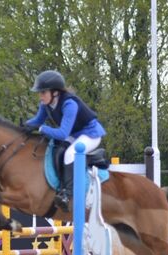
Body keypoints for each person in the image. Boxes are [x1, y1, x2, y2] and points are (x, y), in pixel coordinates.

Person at [23, 70, 106, 211]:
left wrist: (42, 129)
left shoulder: (69, 104)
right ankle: (60, 186)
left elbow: (62, 133)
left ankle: (67, 194)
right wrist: (23, 126)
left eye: (43, 92)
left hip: (90, 134)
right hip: (74, 134)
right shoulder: (46, 104)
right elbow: (37, 120)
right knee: (56, 149)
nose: (40, 96)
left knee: (69, 154)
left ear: (55, 92)